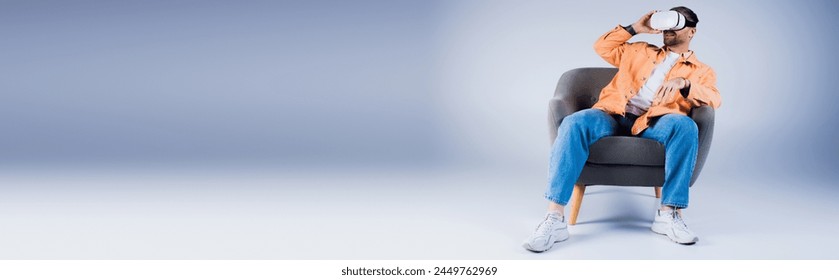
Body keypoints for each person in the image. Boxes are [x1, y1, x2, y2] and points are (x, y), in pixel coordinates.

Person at [523, 6, 721, 253]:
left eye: (677, 24)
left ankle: (668, 214)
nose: (669, 29)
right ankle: (554, 219)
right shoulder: (638, 50)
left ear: (691, 32)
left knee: (685, 126)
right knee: (574, 122)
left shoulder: (701, 70)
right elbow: (602, 47)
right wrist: (636, 28)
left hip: (655, 121)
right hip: (613, 114)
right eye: (667, 23)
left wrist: (685, 83)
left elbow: (714, 98)